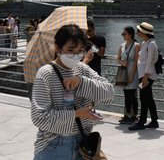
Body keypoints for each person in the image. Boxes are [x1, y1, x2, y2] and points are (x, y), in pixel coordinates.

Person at [31, 24, 115, 159]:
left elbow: (109, 94)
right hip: (54, 146)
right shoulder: (45, 74)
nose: (76, 55)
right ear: (58, 48)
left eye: (80, 51)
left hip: (83, 144)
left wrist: (81, 82)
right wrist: (76, 114)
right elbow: (39, 118)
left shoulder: (82, 69)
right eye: (70, 50)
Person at [129, 22, 160, 130]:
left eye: (138, 31)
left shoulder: (151, 44)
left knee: (144, 99)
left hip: (147, 76)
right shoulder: (144, 43)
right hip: (143, 75)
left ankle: (141, 122)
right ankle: (154, 121)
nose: (137, 33)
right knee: (149, 98)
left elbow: (150, 61)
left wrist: (146, 77)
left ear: (144, 32)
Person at [116, 26, 140, 124]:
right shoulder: (122, 45)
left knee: (132, 95)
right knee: (126, 95)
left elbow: (136, 62)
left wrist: (132, 75)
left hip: (132, 72)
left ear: (130, 34)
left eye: (124, 33)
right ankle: (126, 115)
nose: (123, 35)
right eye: (123, 34)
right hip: (124, 71)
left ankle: (134, 116)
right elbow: (117, 58)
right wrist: (122, 62)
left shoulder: (136, 45)